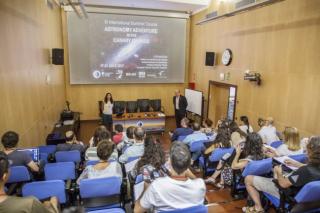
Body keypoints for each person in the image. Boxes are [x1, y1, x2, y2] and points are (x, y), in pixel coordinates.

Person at [243, 136, 320, 213]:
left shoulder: (304, 171)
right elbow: (310, 168)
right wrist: (297, 164)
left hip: (288, 195)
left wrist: (279, 172)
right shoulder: (313, 167)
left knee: (248, 179)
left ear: (311, 151)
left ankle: (258, 208)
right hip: (311, 201)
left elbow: (283, 184)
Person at [134, 142, 206, 212]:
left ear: (169, 162)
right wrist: (186, 170)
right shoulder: (200, 184)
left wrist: (145, 188)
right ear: (190, 162)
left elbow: (137, 210)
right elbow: (196, 180)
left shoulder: (156, 186)